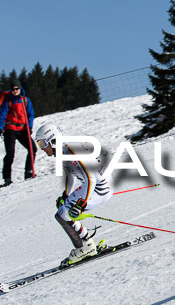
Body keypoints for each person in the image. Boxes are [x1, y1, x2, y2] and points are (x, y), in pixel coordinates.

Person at [35, 123, 113, 265]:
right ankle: (87, 245)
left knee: (63, 214)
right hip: (96, 185)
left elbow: (91, 179)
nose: (41, 148)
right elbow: (70, 175)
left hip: (100, 188)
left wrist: (81, 203)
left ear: (52, 141)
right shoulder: (63, 150)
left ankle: (86, 247)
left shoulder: (70, 151)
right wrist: (66, 195)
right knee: (62, 212)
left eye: (42, 143)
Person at [0, 79, 37, 187]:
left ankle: (29, 172)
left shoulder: (25, 100)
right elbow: (2, 115)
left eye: (17, 89)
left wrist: (29, 127)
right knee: (10, 153)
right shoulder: (8, 101)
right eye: (13, 89)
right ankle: (7, 178)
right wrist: (0, 127)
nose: (15, 91)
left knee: (32, 149)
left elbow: (30, 114)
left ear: (20, 88)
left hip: (22, 130)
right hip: (10, 129)